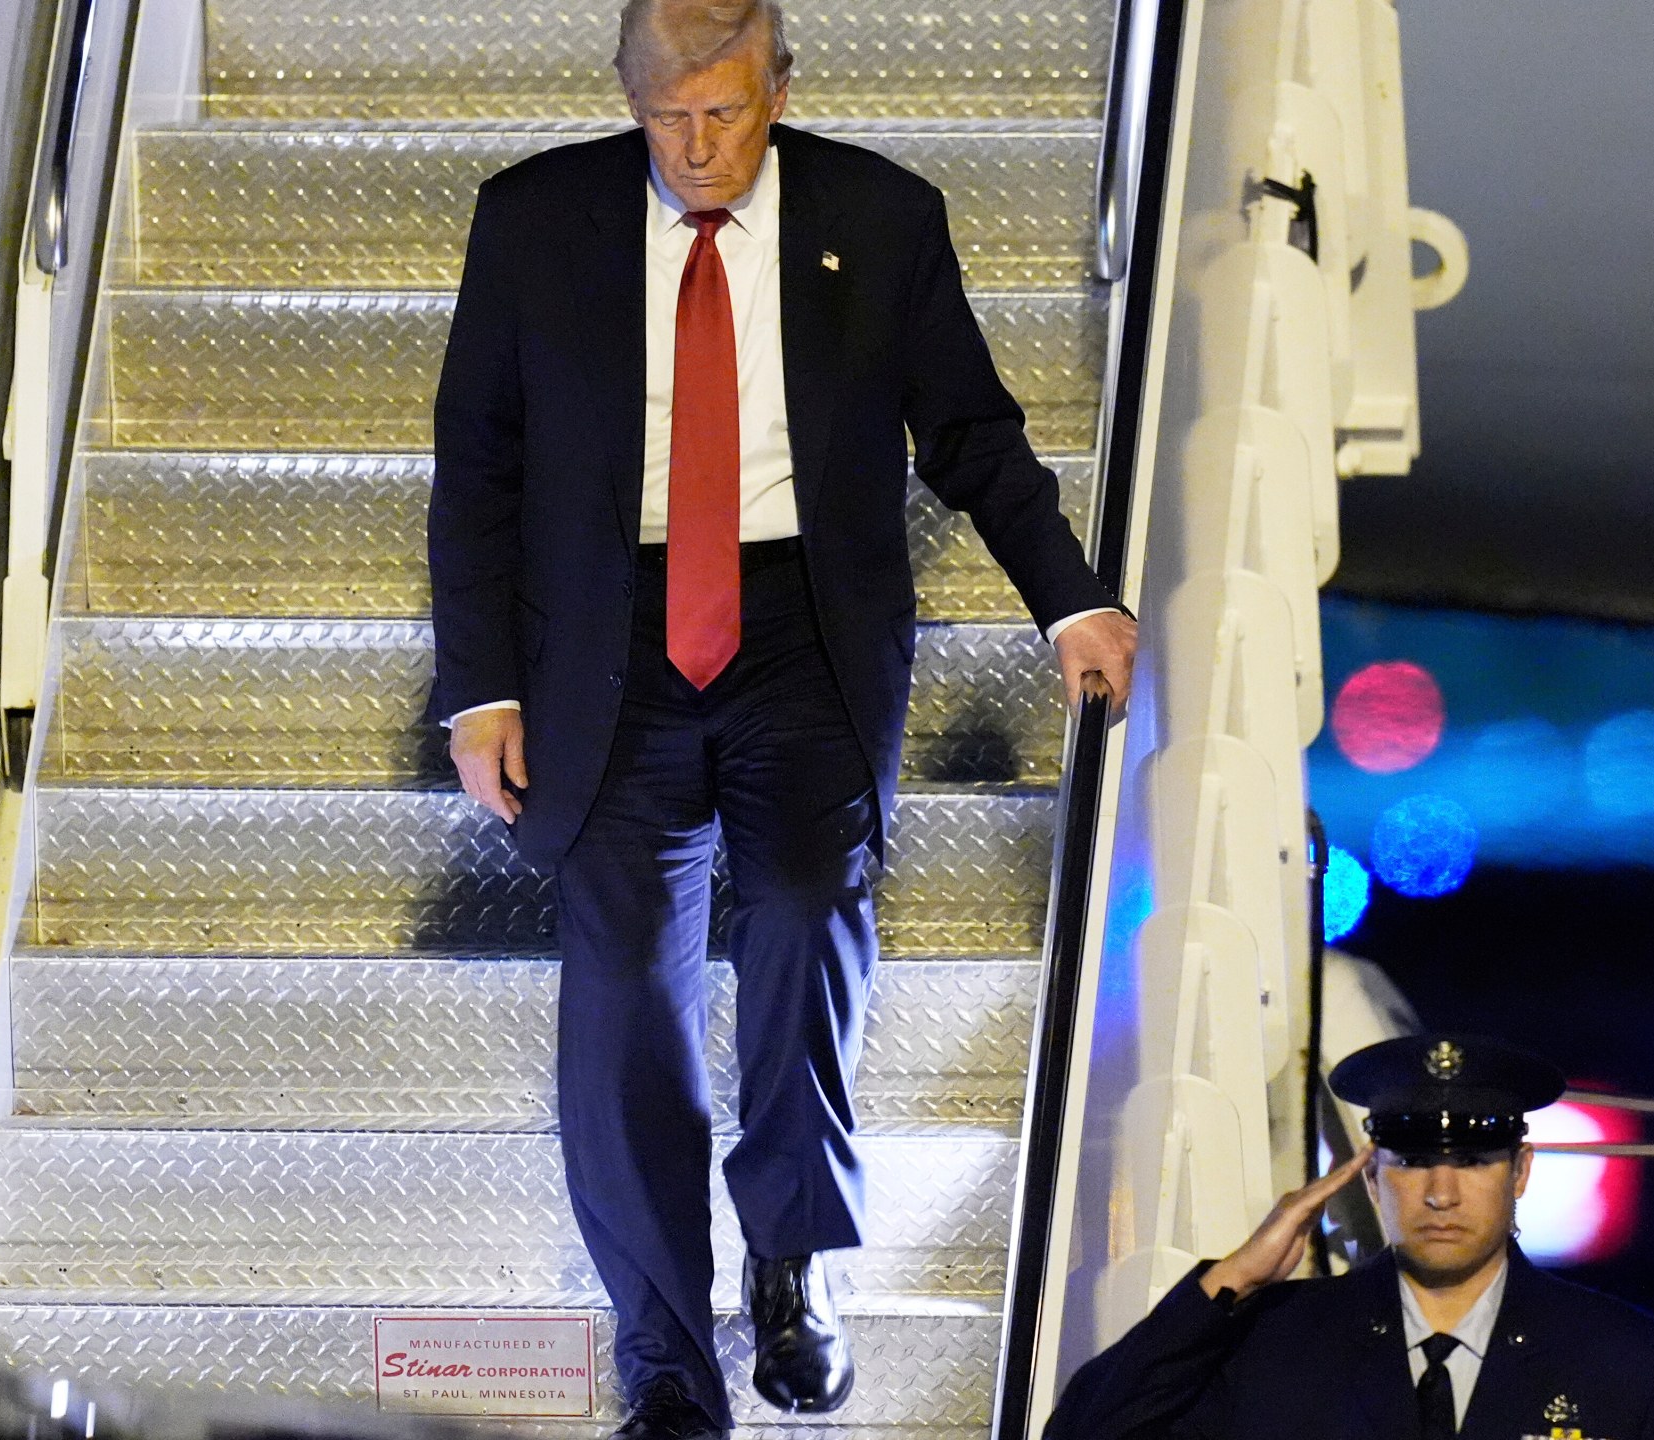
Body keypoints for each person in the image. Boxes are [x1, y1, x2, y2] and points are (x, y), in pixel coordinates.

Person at [426, 2, 1138, 1436]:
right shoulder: (533, 221)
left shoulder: (878, 215)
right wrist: (482, 685)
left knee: (811, 918)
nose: (697, 149)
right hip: (603, 645)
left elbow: (972, 436)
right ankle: (670, 1363)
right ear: (627, 98)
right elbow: (477, 462)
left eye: (728, 116)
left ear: (781, 89)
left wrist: (1071, 603)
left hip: (804, 633)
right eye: (668, 119)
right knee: (626, 986)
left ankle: (794, 1258)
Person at [1042, 1035, 1654, 1440]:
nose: (1441, 1194)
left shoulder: (1625, 1360)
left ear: (1520, 1170)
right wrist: (1232, 1278)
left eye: (1472, 1163)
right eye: (1413, 1163)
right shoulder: (1278, 1344)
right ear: (1370, 1175)